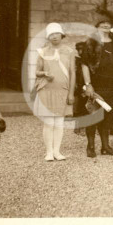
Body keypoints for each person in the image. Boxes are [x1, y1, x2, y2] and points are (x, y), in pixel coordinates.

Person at [76, 10, 113, 157]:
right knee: (93, 115)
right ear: (97, 26)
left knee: (108, 116)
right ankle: (90, 147)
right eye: (102, 24)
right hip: (96, 86)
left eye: (108, 24)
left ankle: (105, 146)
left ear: (112, 26)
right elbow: (84, 64)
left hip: (112, 85)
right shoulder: (91, 42)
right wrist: (88, 84)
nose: (105, 26)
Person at [33, 22, 76, 161]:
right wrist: (45, 73)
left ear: (61, 35)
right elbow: (37, 72)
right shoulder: (42, 52)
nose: (54, 36)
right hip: (46, 90)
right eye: (51, 34)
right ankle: (49, 152)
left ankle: (57, 151)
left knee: (59, 122)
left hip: (62, 91)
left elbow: (72, 72)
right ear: (48, 37)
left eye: (56, 33)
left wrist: (71, 93)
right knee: (48, 122)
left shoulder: (69, 51)